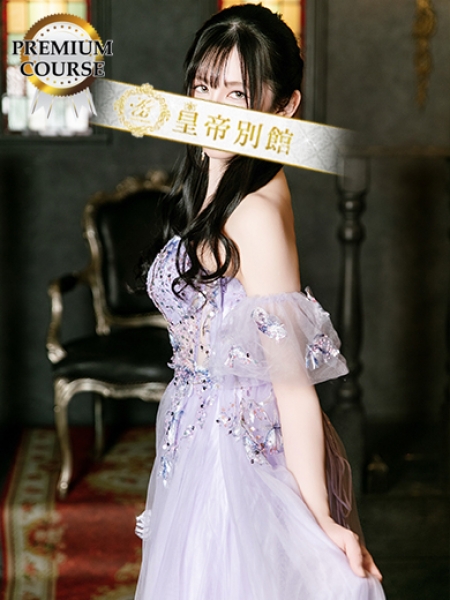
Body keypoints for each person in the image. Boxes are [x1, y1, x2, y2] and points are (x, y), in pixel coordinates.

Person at [134, 4, 385, 599]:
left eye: (237, 94)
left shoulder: (254, 211)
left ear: (284, 108)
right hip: (193, 435)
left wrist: (321, 520)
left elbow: (292, 385)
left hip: (235, 457)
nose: (212, 110)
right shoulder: (215, 175)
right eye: (202, 87)